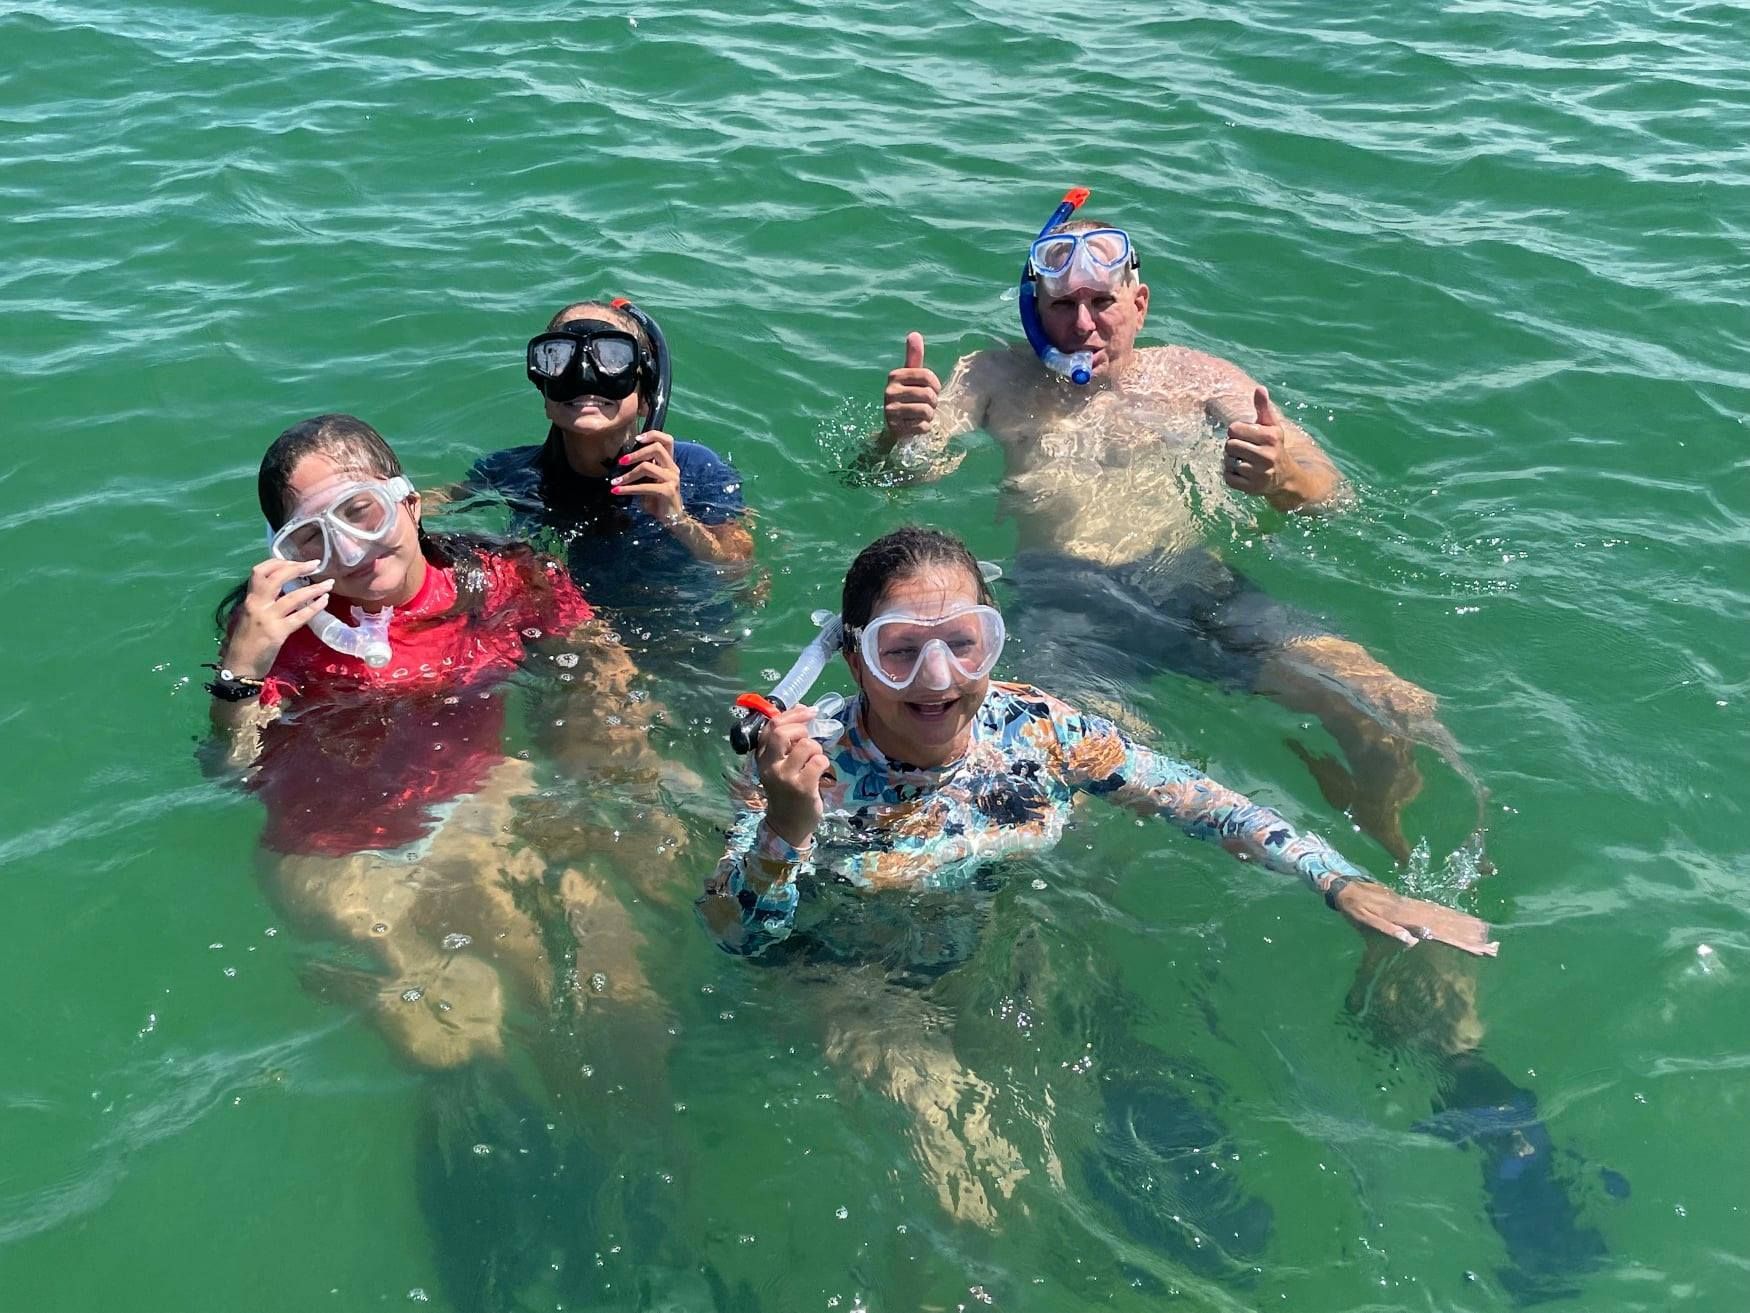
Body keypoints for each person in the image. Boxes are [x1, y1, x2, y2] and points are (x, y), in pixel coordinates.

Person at [700, 527, 1608, 1294]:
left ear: (992, 640)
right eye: (903, 650)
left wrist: (1337, 879)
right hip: (863, 979)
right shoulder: (801, 763)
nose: (938, 678)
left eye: (964, 642)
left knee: (1086, 1097)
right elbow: (737, 933)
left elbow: (1198, 798)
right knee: (975, 1193)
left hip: (1012, 939)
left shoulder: (1037, 728)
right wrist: (785, 826)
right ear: (855, 651)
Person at [869, 200, 1480, 864]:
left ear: (1139, 302)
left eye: (1100, 301)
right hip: (1066, 611)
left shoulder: (1196, 378)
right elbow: (902, 476)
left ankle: (1390, 839)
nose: (1081, 324)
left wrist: (1279, 478)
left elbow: (1331, 494)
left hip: (1197, 590)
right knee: (1090, 800)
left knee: (1393, 708)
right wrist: (896, 437)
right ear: (1031, 308)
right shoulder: (993, 374)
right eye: (1060, 305)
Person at [454, 299, 754, 634]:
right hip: (573, 644)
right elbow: (425, 509)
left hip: (687, 635)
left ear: (645, 397)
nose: (584, 375)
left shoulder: (694, 469)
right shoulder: (506, 473)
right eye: (559, 357)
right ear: (545, 393)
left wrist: (677, 518)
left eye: (613, 357)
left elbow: (737, 567)